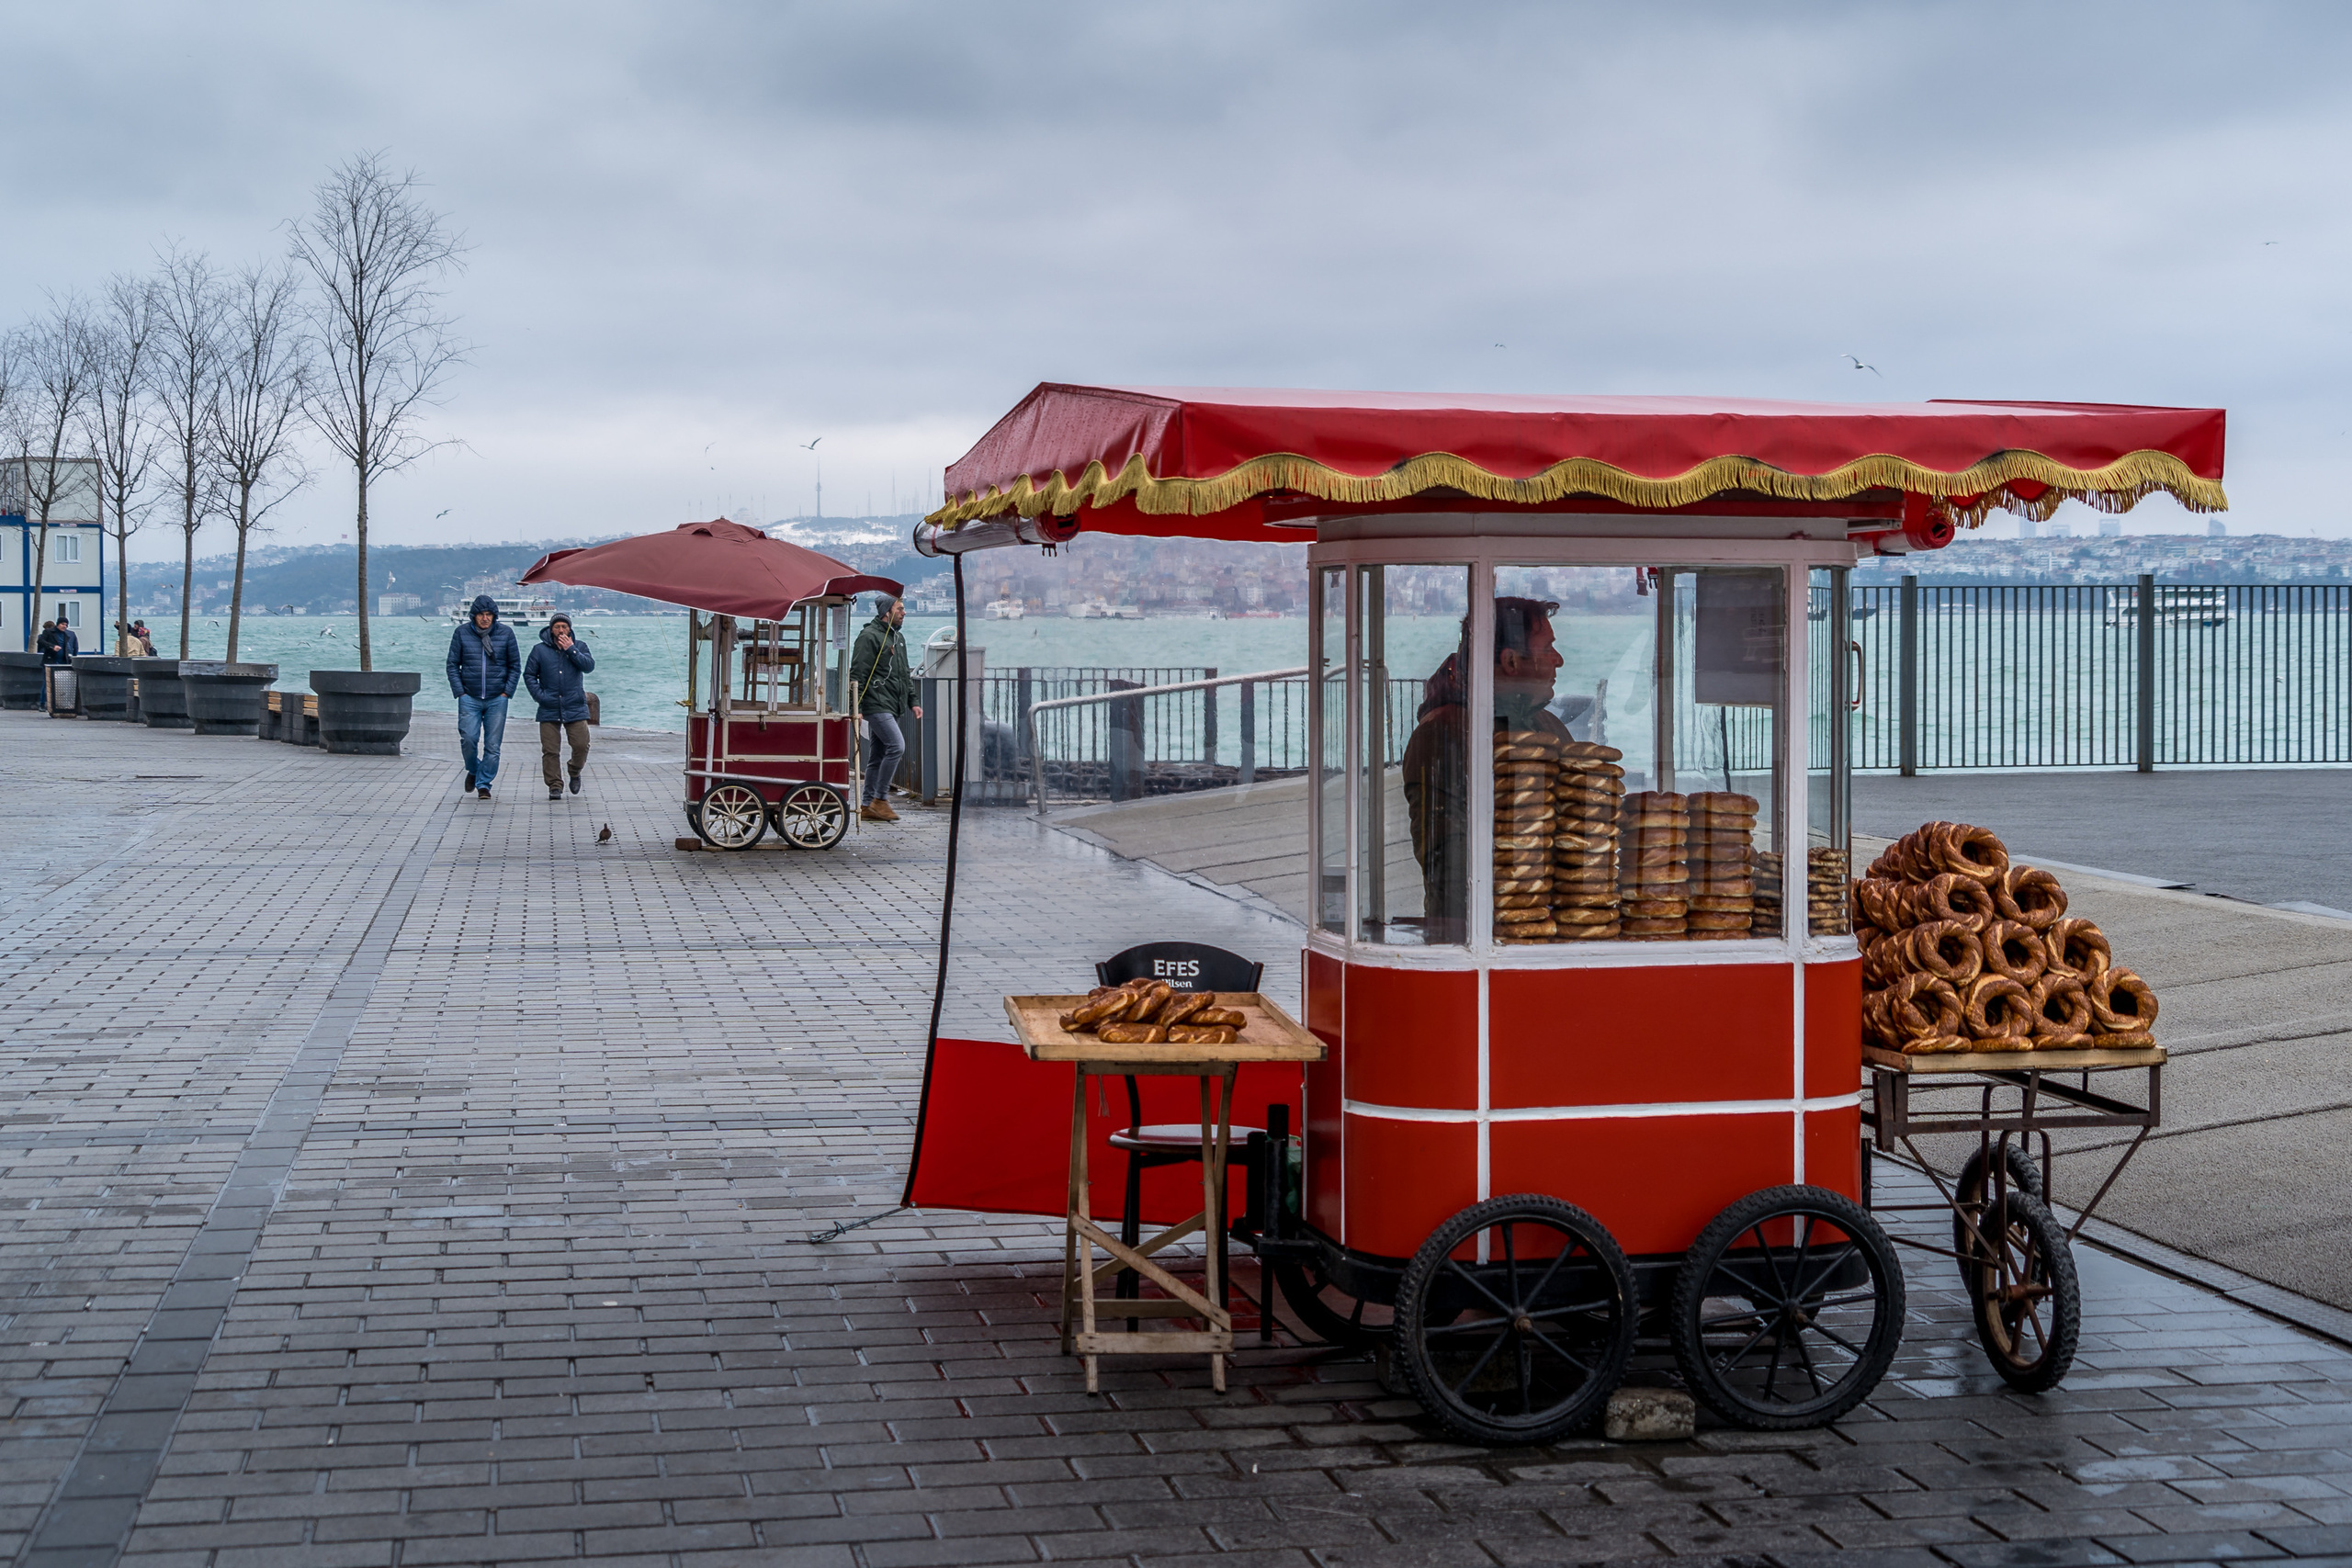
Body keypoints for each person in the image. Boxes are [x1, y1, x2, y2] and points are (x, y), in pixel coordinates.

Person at [1399, 596, 1568, 942]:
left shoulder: (1546, 726)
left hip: (1547, 930)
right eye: (1548, 648)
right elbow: (1448, 864)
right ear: (1510, 661)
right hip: (1471, 936)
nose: (1559, 660)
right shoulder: (1444, 735)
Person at [848, 595, 922, 822]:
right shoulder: (869, 637)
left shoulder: (897, 638)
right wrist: (856, 706)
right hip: (876, 702)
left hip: (892, 704)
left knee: (877, 756)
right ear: (886, 612)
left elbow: (904, 674)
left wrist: (913, 701)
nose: (904, 612)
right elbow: (857, 674)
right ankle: (880, 799)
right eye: (900, 608)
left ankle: (867, 805)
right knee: (896, 746)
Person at [446, 594, 521, 800]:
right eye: (481, 614)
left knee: (493, 746)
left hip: (498, 697)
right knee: (468, 739)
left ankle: (483, 784)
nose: (485, 618)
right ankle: (473, 768)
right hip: (469, 696)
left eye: (489, 614)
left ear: (494, 616)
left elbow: (515, 666)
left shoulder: (506, 634)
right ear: (474, 616)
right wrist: (460, 691)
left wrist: (507, 692)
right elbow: (452, 664)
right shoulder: (461, 633)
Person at [524, 612, 596, 802]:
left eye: (564, 627)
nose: (561, 630)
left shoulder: (580, 646)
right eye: (557, 627)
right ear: (551, 629)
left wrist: (571, 649)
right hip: (549, 706)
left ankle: (574, 770)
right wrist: (540, 696)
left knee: (581, 745)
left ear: (570, 629)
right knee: (550, 750)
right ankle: (554, 785)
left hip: (575, 705)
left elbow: (589, 667)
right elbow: (529, 675)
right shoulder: (539, 650)